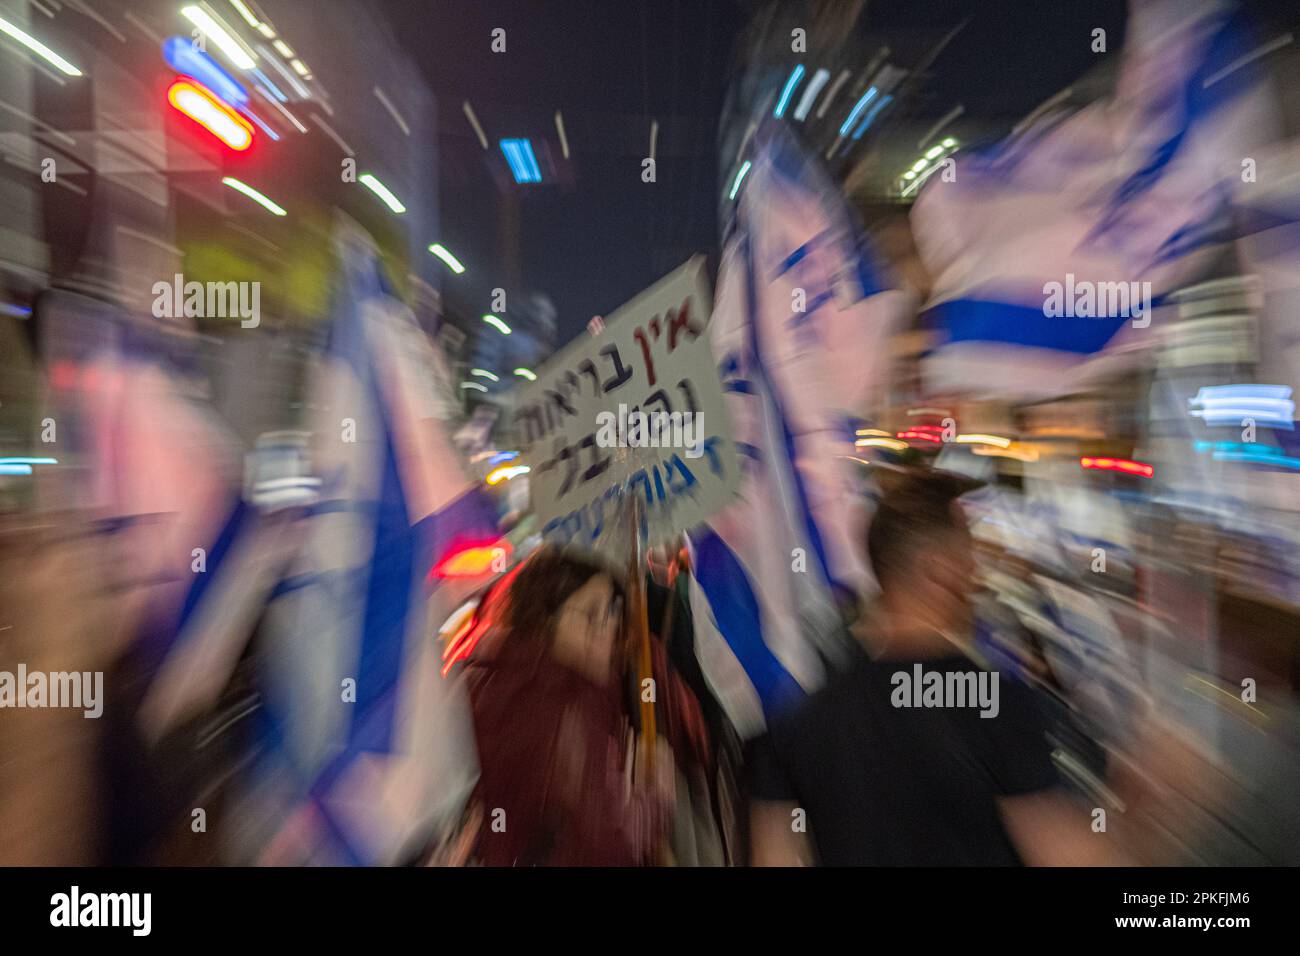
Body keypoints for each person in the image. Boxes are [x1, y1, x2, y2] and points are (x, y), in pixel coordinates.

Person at [748, 469, 1126, 866]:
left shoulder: (799, 717)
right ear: (938, 571)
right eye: (969, 556)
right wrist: (1149, 815)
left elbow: (774, 857)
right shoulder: (995, 706)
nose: (977, 577)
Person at [463, 548, 697, 866]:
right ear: (544, 622)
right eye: (590, 614)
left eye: (613, 610)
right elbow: (607, 843)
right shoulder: (566, 702)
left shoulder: (504, 681)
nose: (608, 627)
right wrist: (655, 796)